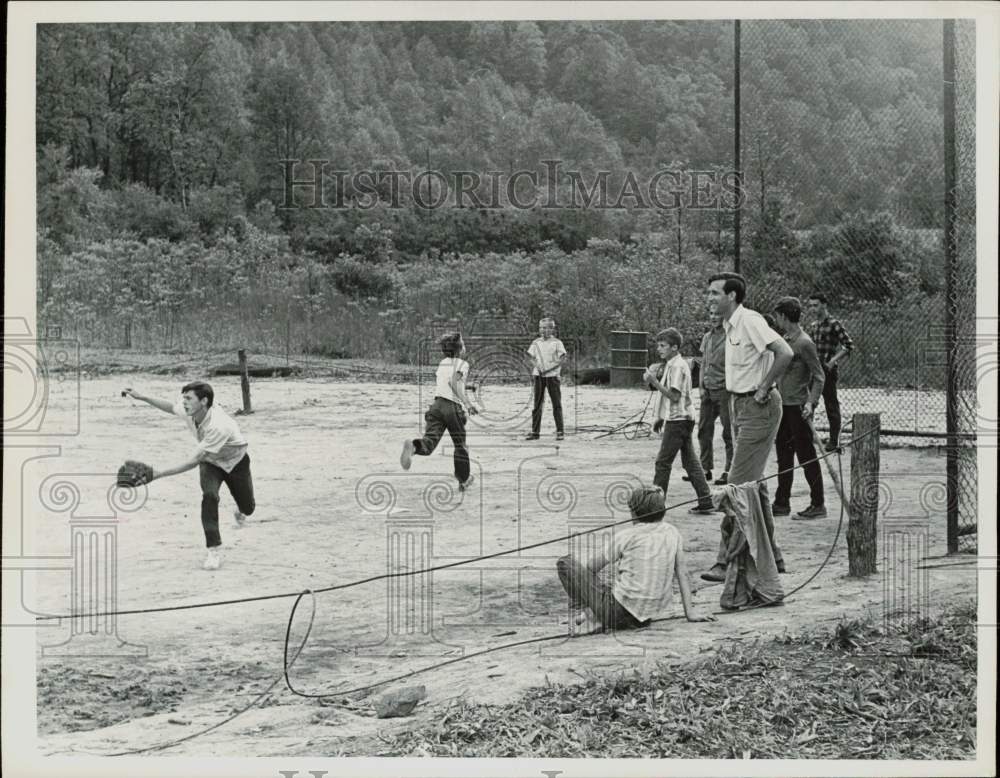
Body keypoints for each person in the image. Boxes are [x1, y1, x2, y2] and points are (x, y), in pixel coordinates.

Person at [699, 273, 794, 583]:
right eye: (709, 293)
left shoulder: (749, 320)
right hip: (738, 405)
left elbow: (785, 352)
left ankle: (725, 559)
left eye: (715, 293)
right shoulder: (727, 327)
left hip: (759, 407)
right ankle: (774, 555)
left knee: (736, 487)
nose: (710, 298)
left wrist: (765, 387)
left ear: (732, 296)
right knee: (754, 486)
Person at [121, 381, 255, 571]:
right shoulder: (190, 410)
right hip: (211, 463)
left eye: (188, 398)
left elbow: (192, 461)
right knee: (210, 496)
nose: (184, 402)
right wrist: (142, 397)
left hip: (236, 462)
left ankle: (241, 511)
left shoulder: (219, 425)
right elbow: (170, 407)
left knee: (248, 508)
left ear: (204, 401)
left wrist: (158, 474)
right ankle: (213, 550)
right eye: (183, 398)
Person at [556, 486, 716, 635]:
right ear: (663, 512)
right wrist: (690, 613)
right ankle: (594, 615)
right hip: (646, 616)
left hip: (616, 612)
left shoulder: (627, 535)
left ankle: (591, 616)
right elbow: (682, 573)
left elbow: (591, 568)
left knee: (565, 564)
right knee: (614, 585)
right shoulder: (672, 532)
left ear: (633, 513)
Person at [643, 328, 716, 516]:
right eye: (658, 345)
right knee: (690, 462)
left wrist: (654, 381)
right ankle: (706, 500)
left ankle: (655, 506)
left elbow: (674, 396)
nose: (659, 349)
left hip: (679, 420)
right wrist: (661, 417)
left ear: (674, 347)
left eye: (663, 346)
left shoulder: (677, 366)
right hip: (681, 418)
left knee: (662, 463)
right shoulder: (673, 363)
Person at [771, 297, 827, 520]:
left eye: (777, 317)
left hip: (798, 408)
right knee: (783, 456)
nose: (776, 321)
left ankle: (818, 504)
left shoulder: (804, 342)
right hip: (782, 407)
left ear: (784, 317)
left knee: (806, 456)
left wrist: (811, 402)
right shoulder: (783, 340)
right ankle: (781, 502)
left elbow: (819, 376)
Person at [401, 332, 479, 490]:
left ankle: (414, 447)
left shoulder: (443, 363)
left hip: (436, 407)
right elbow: (453, 383)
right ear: (460, 349)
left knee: (429, 442)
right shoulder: (463, 364)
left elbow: (447, 382)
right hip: (452, 408)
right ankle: (463, 480)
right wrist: (468, 404)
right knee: (460, 445)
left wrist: (468, 386)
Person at [805, 293, 854, 452]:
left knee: (831, 405)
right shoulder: (813, 325)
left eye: (816, 305)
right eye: (811, 305)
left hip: (827, 370)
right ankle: (807, 437)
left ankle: (834, 441)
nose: (813, 309)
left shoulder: (834, 324)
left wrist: (832, 361)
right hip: (814, 369)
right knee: (810, 402)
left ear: (824, 305)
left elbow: (848, 345)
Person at [689, 314, 733, 486]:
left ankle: (729, 470)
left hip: (724, 390)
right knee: (704, 429)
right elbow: (703, 363)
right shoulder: (707, 337)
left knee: (729, 432)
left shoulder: (731, 337)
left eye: (718, 315)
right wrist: (701, 386)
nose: (714, 318)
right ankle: (705, 469)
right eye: (712, 315)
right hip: (707, 390)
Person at [525, 317, 567, 441]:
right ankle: (535, 431)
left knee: (556, 404)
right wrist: (537, 366)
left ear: (552, 329)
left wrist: (550, 369)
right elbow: (531, 357)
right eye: (541, 328)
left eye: (545, 328)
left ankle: (560, 431)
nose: (542, 330)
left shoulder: (557, 343)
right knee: (537, 404)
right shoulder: (536, 342)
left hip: (552, 377)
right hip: (538, 376)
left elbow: (562, 358)